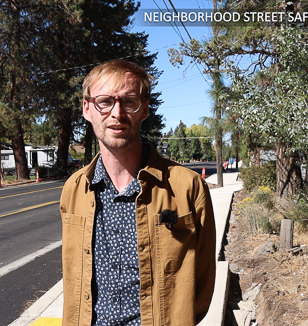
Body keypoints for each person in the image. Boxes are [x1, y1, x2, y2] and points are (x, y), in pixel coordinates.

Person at [60, 59, 216, 326]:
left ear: (144, 109)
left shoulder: (187, 188)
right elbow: (74, 277)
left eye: (129, 101)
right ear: (87, 109)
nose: (116, 113)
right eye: (104, 102)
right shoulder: (74, 189)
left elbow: (201, 286)